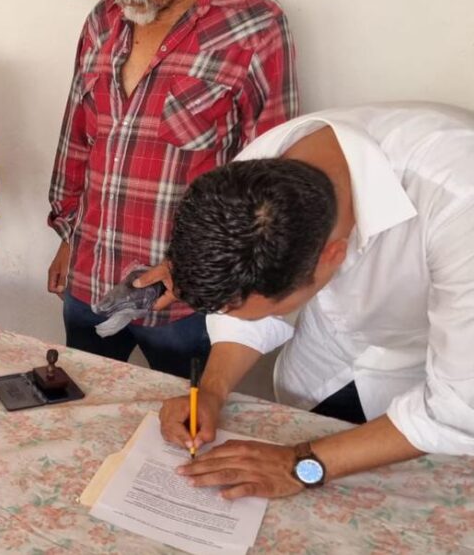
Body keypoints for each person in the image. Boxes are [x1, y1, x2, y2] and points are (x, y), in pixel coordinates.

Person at [146, 103, 474, 498]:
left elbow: (458, 408)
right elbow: (246, 302)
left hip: (422, 385)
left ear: (332, 256)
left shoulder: (460, 201)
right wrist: (212, 391)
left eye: (276, 309)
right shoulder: (253, 179)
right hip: (320, 369)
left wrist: (301, 464)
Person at [42, 0, 298, 378]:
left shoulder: (255, 27)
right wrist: (67, 235)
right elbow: (77, 138)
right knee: (77, 415)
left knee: (177, 436)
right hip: (89, 275)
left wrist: (206, 268)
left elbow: (272, 178)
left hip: (184, 300)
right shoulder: (103, 20)